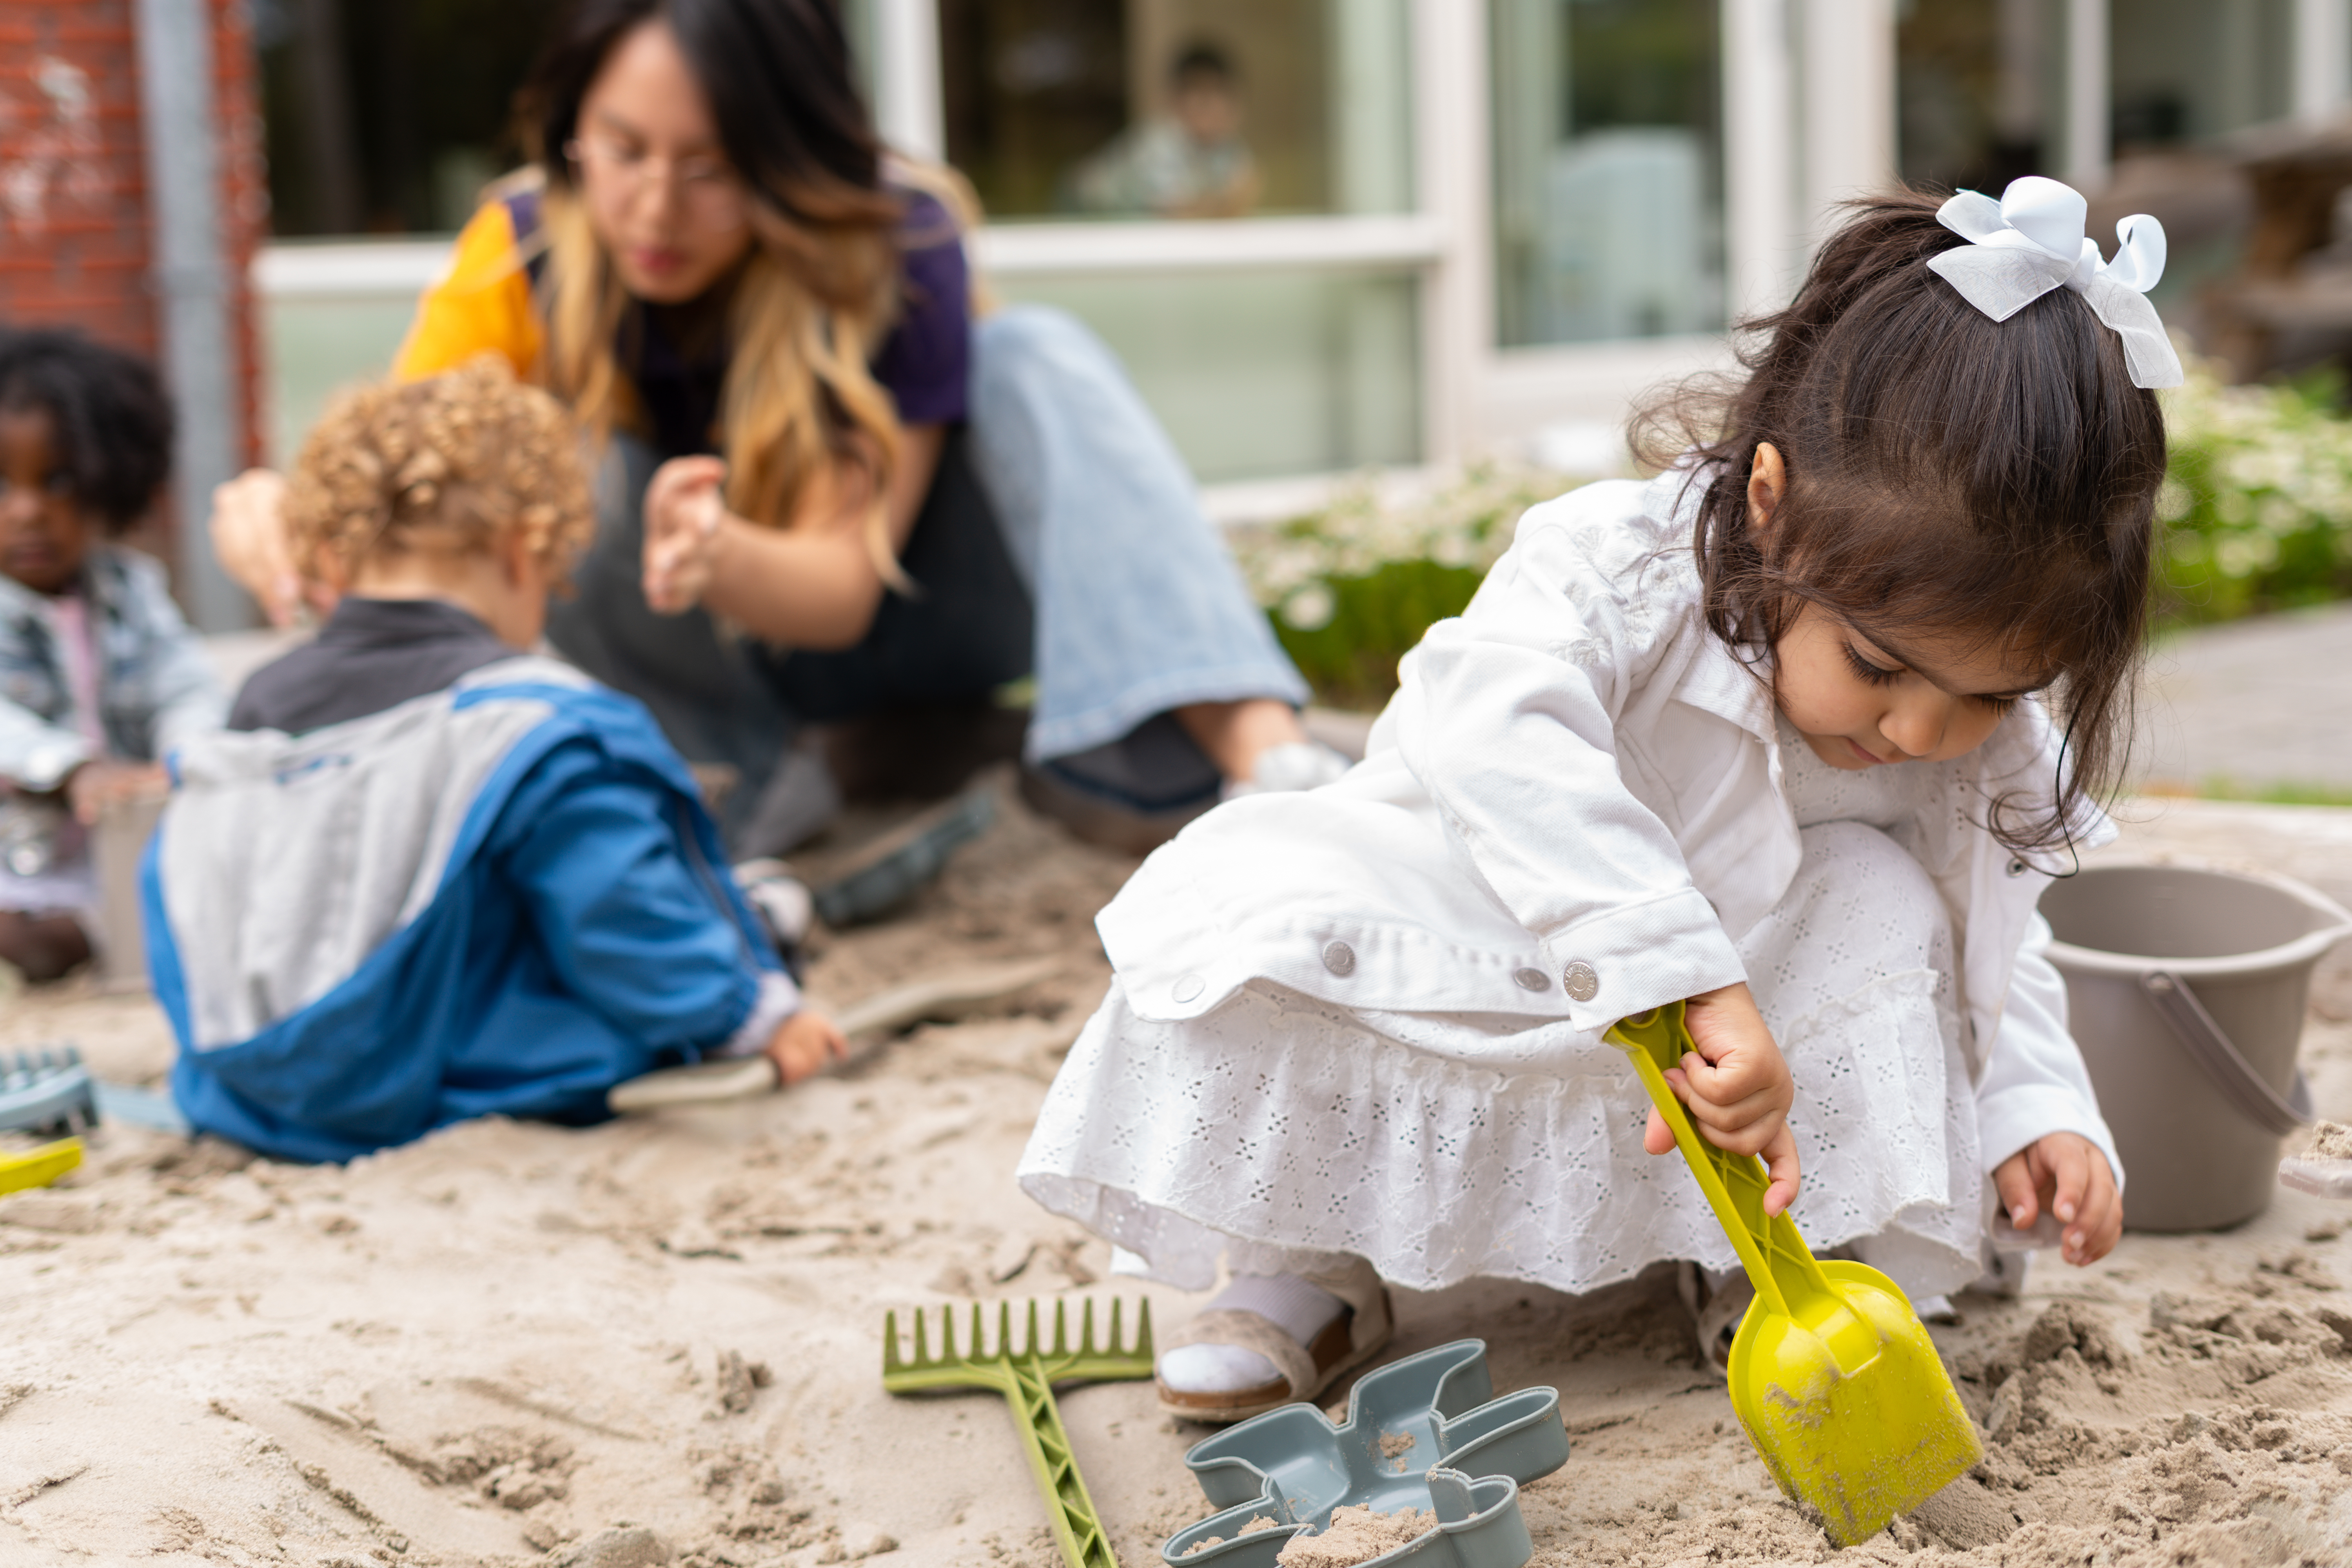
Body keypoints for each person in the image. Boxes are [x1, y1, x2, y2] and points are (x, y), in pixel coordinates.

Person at [1018, 178, 2172, 1421]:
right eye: (1877, 666)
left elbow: (1989, 921)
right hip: (1476, 934)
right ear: (1773, 505)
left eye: (1990, 695)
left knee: (1888, 898)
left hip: (1738, 1033)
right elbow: (1493, 735)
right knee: (1259, 906)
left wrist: (2033, 1103)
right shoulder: (1612, 571)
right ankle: (1306, 1258)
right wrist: (1683, 977)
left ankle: (1776, 1260)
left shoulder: (1957, 725)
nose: (1921, 733)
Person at [210, 0, 1331, 861]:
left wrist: (721, 554)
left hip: (910, 608)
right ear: (570, 129)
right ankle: (739, 798)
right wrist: (283, 511)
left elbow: (843, 590)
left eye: (712, 170)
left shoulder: (899, 240)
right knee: (556, 460)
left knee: (1035, 351)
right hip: (721, 686)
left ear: (790, 160)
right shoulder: (521, 251)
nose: (655, 208)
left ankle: (1271, 767)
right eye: (623, 150)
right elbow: (402, 483)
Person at [152, 362, 846, 1165]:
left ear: (334, 566)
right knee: (614, 898)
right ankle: (755, 930)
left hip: (250, 1088)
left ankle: (752, 916)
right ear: (523, 553)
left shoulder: (254, 710)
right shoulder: (537, 723)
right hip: (442, 1076)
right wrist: (751, 1018)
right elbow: (619, 907)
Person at [0, 328, 224, 982]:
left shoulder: (131, 590)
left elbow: (182, 680)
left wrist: (184, 753)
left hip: (117, 847)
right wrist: (70, 768)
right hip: (18, 860)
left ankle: (102, 931)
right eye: (1, 485)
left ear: (111, 478)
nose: (28, 511)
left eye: (59, 482)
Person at [1071, 43, 1260, 219]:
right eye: (1202, 98)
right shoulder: (1158, 143)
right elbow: (1177, 213)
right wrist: (1227, 204)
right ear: (1176, 100)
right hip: (1083, 208)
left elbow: (1244, 190)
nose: (1213, 108)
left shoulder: (1228, 148)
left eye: (1221, 95)